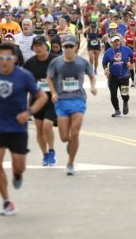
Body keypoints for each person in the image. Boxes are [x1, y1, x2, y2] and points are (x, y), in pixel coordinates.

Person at [0, 43, 47, 216]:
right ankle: (7, 202)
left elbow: (42, 96)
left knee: (19, 166)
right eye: (1, 58)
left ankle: (17, 175)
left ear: (15, 59)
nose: (4, 61)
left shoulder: (24, 76)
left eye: (8, 58)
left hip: (17, 128)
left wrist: (29, 112)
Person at [46, 35, 97, 176]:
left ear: (76, 47)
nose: (68, 49)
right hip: (62, 101)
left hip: (78, 100)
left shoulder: (82, 62)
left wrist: (92, 87)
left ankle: (70, 163)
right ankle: (70, 142)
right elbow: (49, 78)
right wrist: (53, 93)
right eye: (66, 46)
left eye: (71, 46)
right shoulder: (56, 62)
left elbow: (92, 75)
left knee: (75, 133)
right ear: (63, 47)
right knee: (64, 137)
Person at [23, 36, 58, 166]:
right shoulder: (30, 63)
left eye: (40, 45)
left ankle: (52, 151)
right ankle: (45, 155)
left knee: (47, 125)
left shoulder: (55, 60)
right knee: (39, 129)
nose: (37, 48)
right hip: (36, 100)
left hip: (52, 99)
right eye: (35, 46)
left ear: (46, 46)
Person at [102, 35, 134, 117]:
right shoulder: (108, 52)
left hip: (124, 77)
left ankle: (125, 102)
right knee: (113, 95)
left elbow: (133, 56)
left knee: (125, 95)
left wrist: (130, 63)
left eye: (118, 41)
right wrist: (105, 68)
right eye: (115, 41)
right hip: (113, 77)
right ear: (111, 43)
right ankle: (117, 110)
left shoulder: (126, 49)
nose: (117, 43)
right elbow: (104, 62)